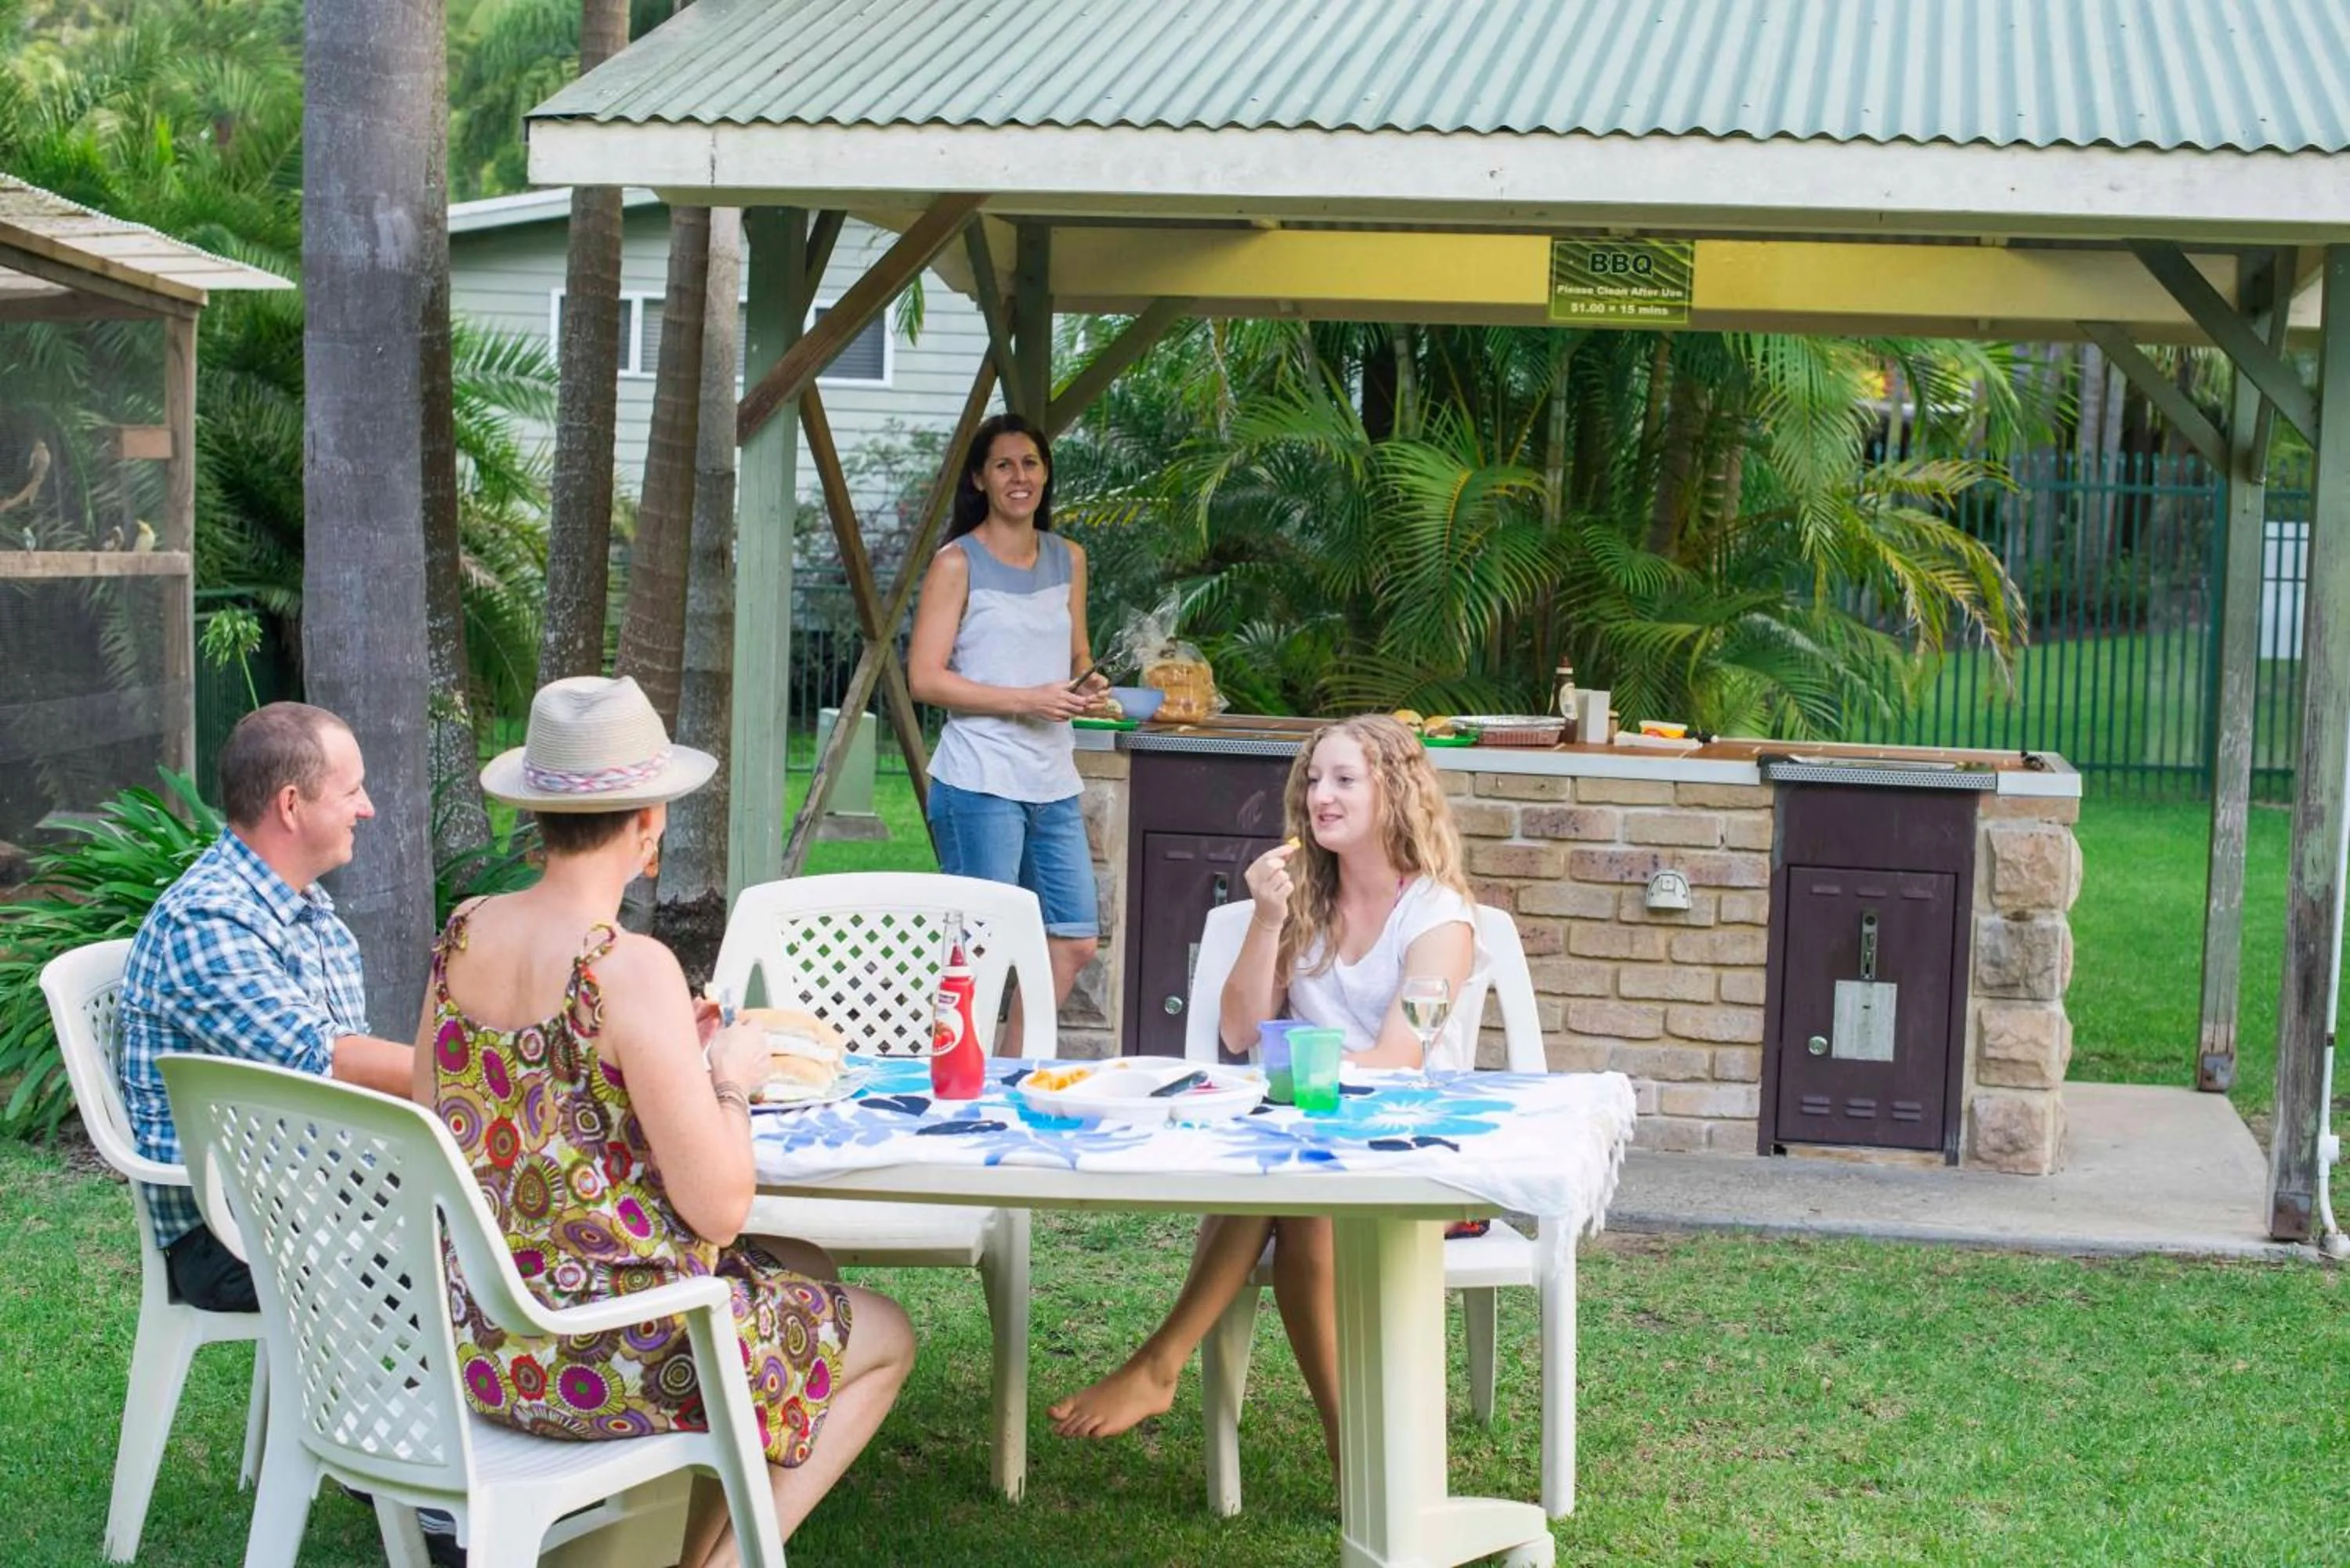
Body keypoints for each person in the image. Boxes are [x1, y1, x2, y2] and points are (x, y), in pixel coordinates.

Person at [427, 676, 913, 1564]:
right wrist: (726, 1078)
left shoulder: (463, 933)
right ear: (647, 826)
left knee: (805, 1268)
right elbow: (721, 1210)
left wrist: (661, 1072)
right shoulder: (628, 965)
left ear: (539, 816)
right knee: (889, 1334)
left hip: (490, 1346)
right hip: (612, 1354)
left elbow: (443, 1119)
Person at [1046, 714, 1480, 1469]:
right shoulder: (1305, 900)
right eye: (1314, 781)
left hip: (1417, 1158)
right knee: (1289, 1190)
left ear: (1397, 793)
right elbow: (1243, 1030)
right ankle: (1351, 1450)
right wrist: (1269, 922)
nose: (1321, 797)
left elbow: (1396, 1062)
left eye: (1346, 780)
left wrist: (1307, 1060)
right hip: (1306, 1147)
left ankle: (1168, 1367)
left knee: (1294, 1196)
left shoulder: (1438, 916)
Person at [118, 701, 417, 1313]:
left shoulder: (301, 906)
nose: (368, 808)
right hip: (229, 1232)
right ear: (290, 805)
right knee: (479, 1249)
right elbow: (323, 1059)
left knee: (500, 1213)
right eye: (352, 791)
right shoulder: (208, 920)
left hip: (309, 1194)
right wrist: (476, 1078)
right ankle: (437, 1407)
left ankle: (426, 1406)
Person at [907, 411, 1108, 1039]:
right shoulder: (956, 563)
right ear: (980, 479)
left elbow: (1077, 654)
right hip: (980, 779)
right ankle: (964, 1086)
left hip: (1052, 780)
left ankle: (1014, 1077)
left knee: (1072, 941)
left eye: (1030, 463)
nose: (1019, 476)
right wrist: (1027, 700)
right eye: (1003, 465)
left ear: (1046, 473)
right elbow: (926, 679)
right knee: (981, 950)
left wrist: (1089, 681)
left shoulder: (1069, 558)